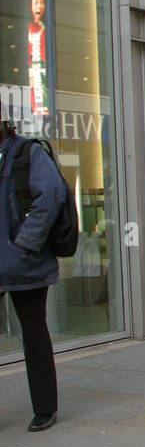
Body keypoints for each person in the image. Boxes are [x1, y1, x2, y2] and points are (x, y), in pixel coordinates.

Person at [0, 118, 66, 431]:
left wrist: (24, 245)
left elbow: (51, 196)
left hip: (25, 262)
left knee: (34, 334)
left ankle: (45, 408)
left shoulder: (28, 153)